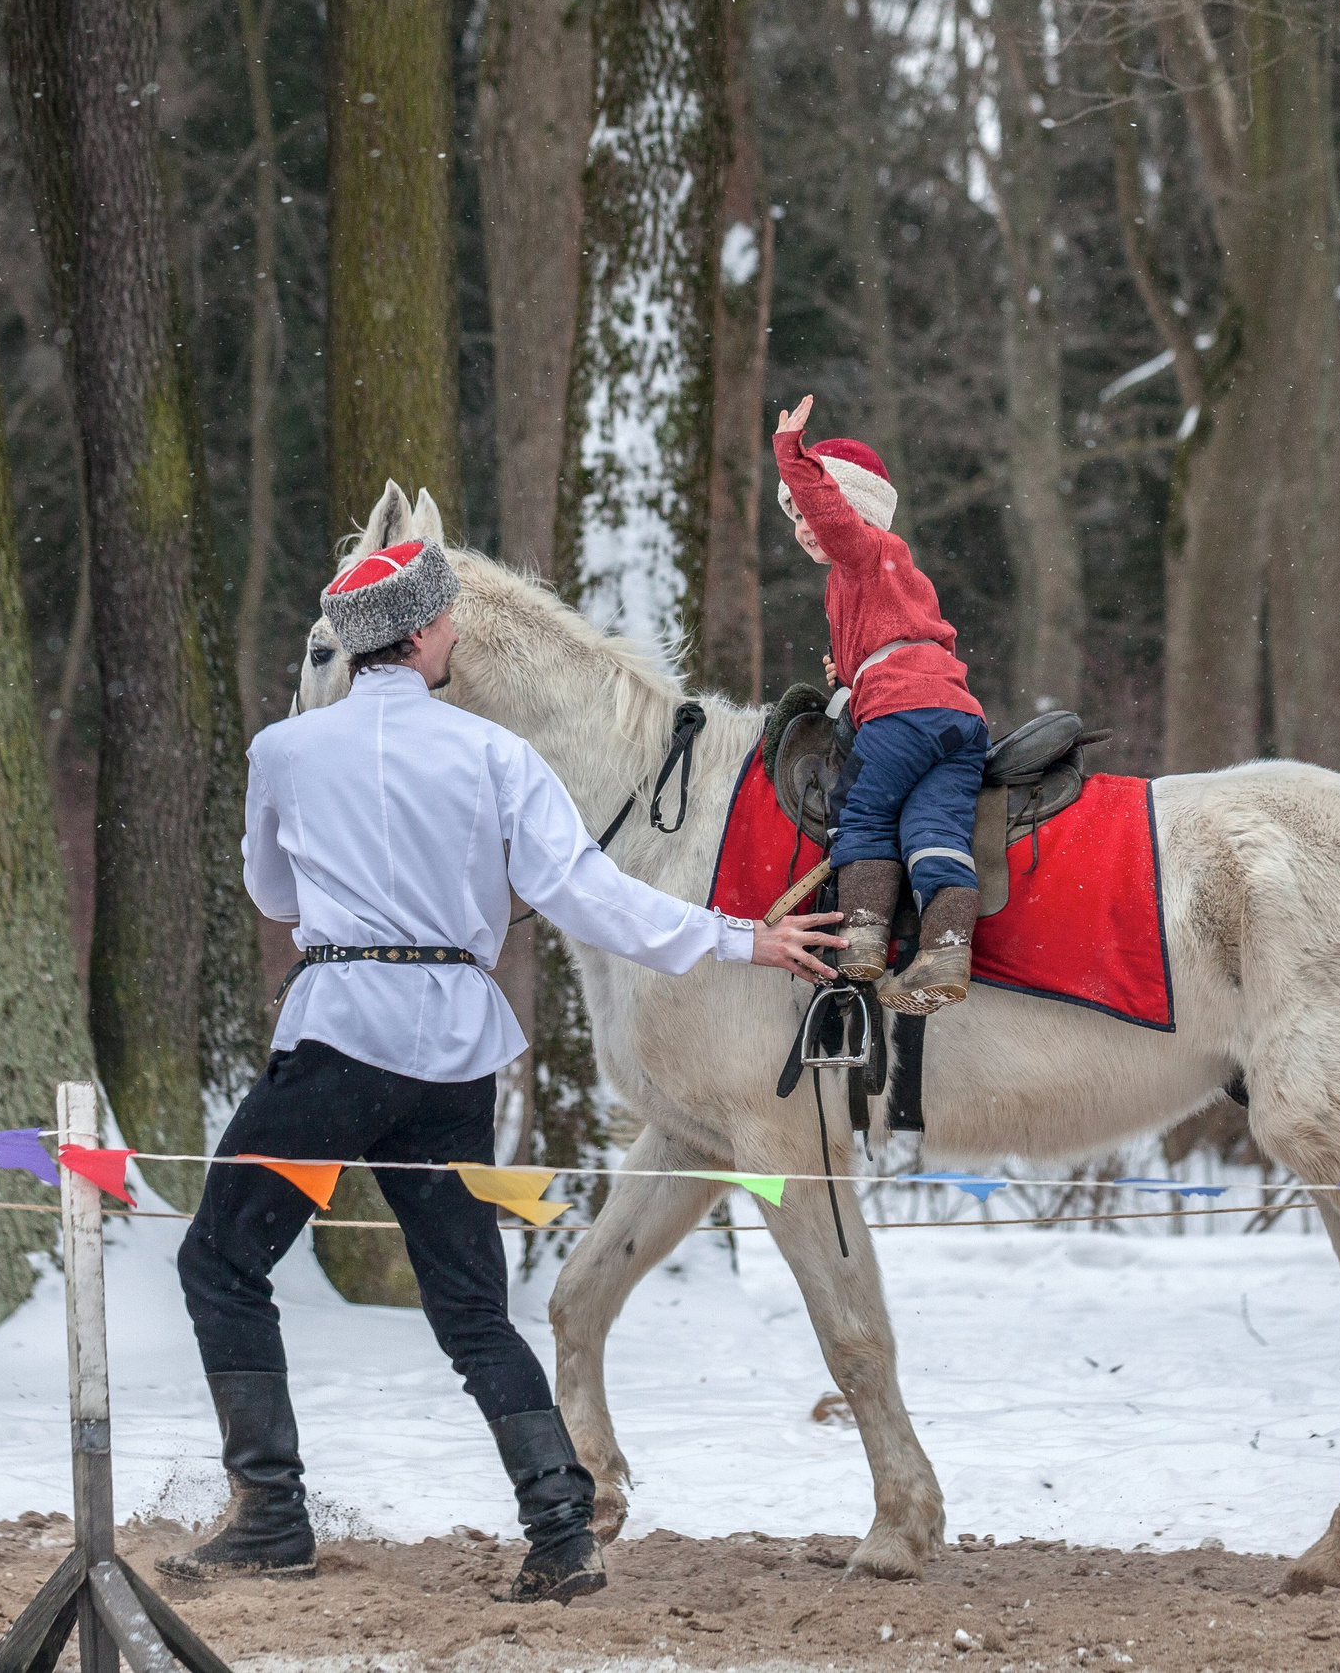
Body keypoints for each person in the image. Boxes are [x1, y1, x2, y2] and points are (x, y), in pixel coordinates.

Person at [168, 523, 844, 1601]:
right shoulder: (496, 757)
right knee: (472, 1308)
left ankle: (271, 1511)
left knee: (220, 1261)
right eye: (446, 623)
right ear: (430, 634)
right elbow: (594, 900)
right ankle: (560, 1529)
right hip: (451, 1054)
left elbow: (271, 897)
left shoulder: (284, 754)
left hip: (340, 1043)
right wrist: (739, 938)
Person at [773, 393, 991, 1014]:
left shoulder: (864, 553)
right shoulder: (888, 573)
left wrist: (791, 455)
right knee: (934, 828)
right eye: (793, 517)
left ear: (851, 509)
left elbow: (830, 511)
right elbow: (900, 641)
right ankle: (946, 947)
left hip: (901, 715)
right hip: (959, 717)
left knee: (861, 812)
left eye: (810, 510)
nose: (805, 527)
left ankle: (863, 940)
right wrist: (847, 670)